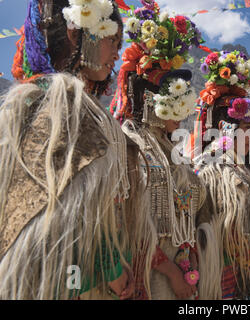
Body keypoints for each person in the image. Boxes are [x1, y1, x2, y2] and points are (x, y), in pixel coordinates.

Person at [0, 0, 157, 300]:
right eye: (112, 40)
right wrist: (110, 269)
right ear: (79, 36)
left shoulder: (68, 108)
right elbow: (66, 218)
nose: (116, 54)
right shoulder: (61, 108)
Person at [110, 0, 217, 300]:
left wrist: (191, 256)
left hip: (183, 277)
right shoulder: (131, 147)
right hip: (154, 280)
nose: (183, 115)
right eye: (175, 104)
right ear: (151, 102)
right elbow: (131, 228)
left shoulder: (172, 152)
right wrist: (172, 273)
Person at [192, 49, 250, 300]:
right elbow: (225, 230)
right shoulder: (214, 170)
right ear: (226, 128)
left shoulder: (241, 171)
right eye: (247, 128)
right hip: (235, 280)